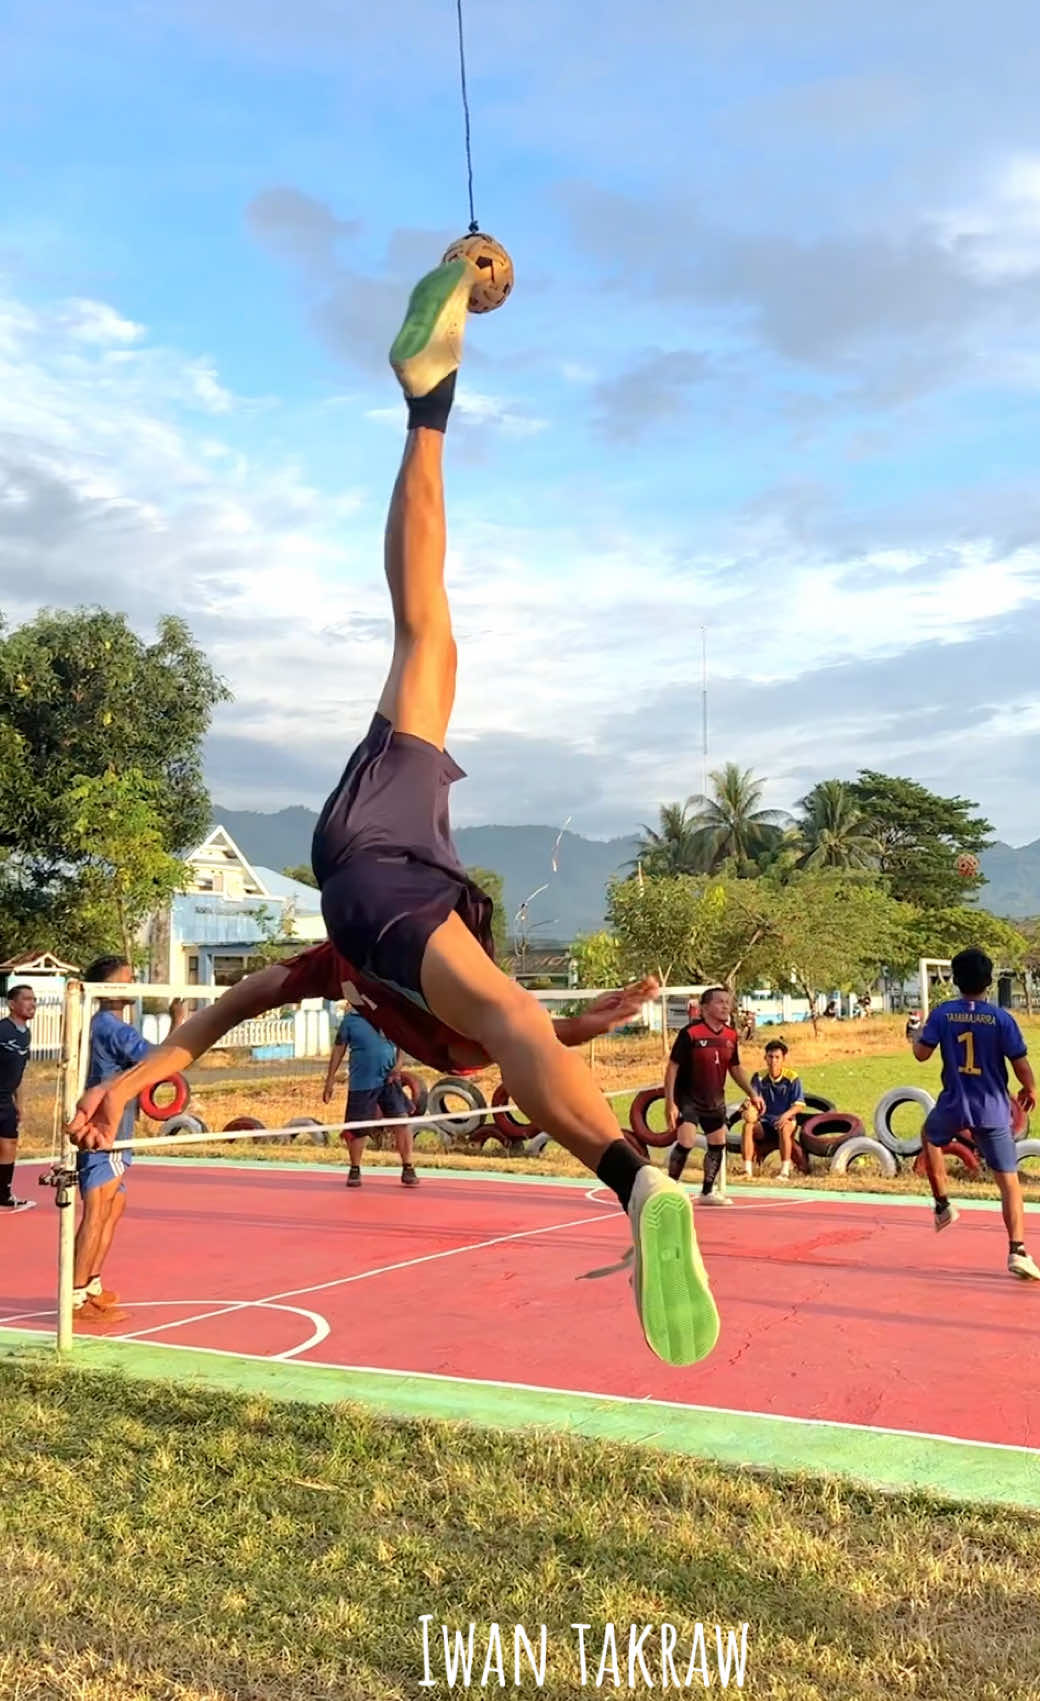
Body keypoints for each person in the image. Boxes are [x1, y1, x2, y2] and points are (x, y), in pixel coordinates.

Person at [69, 255, 719, 1369]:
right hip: (373, 863)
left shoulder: (395, 966)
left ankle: (429, 403)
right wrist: (590, 1022)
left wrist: (132, 1078)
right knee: (428, 637)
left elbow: (503, 1036)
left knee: (426, 632)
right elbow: (508, 1037)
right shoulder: (412, 984)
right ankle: (634, 1181)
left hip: (381, 861)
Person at [912, 947, 1040, 1282]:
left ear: (955, 980)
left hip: (955, 1102)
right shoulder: (1001, 1019)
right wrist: (1030, 1089)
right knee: (1008, 1182)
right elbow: (1020, 1063)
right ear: (989, 981)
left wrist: (914, 1034)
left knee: (930, 1136)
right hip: (993, 1107)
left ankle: (943, 1206)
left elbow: (922, 1055)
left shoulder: (942, 1014)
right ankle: (1018, 1250)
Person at [72, 958, 185, 1325]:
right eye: (127, 979)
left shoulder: (115, 1025)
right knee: (96, 1211)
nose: (134, 984)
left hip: (119, 1132)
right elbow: (159, 1060)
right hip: (107, 1131)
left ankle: (91, 1287)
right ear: (110, 989)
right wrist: (179, 1022)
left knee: (113, 1209)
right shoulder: (108, 1026)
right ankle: (74, 1299)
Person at [665, 987, 762, 1206]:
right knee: (687, 1140)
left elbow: (735, 1068)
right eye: (719, 1002)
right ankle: (670, 1185)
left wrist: (753, 1094)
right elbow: (672, 1068)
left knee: (718, 1143)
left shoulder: (730, 1036)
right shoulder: (690, 1033)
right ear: (705, 1008)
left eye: (728, 1002)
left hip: (715, 1099)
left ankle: (707, 1192)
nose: (726, 1006)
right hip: (688, 1097)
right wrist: (670, 1102)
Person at [323, 1007, 418, 1188]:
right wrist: (330, 1080)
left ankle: (408, 1167)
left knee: (402, 1120)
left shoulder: (388, 1014)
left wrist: (398, 1065)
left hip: (388, 1079)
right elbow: (338, 1051)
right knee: (358, 1127)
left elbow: (402, 1043)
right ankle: (355, 1169)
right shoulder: (350, 1021)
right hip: (362, 1082)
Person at [739, 1038, 806, 1180]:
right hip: (765, 1122)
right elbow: (752, 1097)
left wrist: (785, 1115)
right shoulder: (758, 1077)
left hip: (785, 1120)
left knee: (785, 1126)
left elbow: (799, 1105)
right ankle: (747, 1171)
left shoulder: (792, 1078)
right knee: (748, 1126)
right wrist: (747, 1106)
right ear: (765, 1058)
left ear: (783, 1059)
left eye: (777, 1057)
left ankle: (784, 1172)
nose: (773, 1060)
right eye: (770, 1057)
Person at [0, 984, 37, 1213]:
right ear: (12, 1004)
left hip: (6, 1099)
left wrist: (19, 1103)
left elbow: (20, 1073)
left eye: (34, 1000)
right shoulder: (2, 1030)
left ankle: (3, 1195)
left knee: (9, 1143)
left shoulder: (27, 1035)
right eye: (27, 999)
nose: (32, 1004)